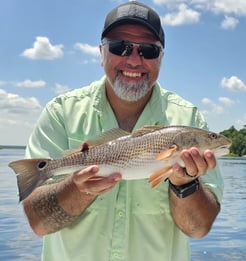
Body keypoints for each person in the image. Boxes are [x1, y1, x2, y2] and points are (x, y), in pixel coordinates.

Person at [23, 1, 223, 261]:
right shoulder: (61, 112)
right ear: (101, 52)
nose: (134, 59)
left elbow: (198, 229)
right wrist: (77, 187)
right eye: (120, 47)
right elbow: (39, 224)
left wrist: (185, 183)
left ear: (161, 57)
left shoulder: (189, 117)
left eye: (149, 50)